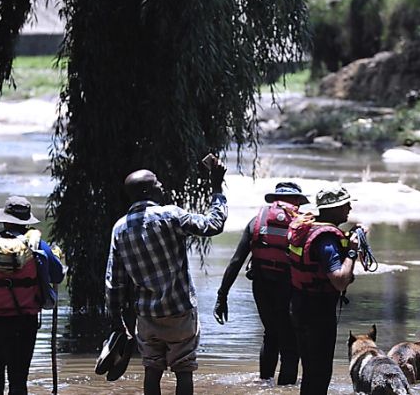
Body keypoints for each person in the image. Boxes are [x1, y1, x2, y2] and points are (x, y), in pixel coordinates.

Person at [106, 160, 227, 395]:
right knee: (183, 369)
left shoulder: (119, 228)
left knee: (152, 369)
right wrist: (217, 189)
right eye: (157, 184)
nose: (162, 187)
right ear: (147, 191)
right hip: (179, 311)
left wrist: (116, 319)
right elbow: (214, 224)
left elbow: (114, 281)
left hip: (147, 316)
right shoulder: (170, 215)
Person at [0, 196, 65, 395]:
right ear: (26, 221)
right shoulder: (38, 246)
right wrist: (54, 256)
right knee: (18, 375)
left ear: (5, 220)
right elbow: (58, 275)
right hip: (25, 320)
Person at [214, 182, 309, 385]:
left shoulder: (257, 221)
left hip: (262, 286)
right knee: (290, 343)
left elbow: (236, 262)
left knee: (271, 334)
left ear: (274, 200)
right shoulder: (302, 226)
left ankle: (265, 384)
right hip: (289, 289)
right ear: (297, 201)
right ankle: (285, 389)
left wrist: (222, 296)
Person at [286, 186, 361, 394]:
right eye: (346, 204)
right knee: (320, 373)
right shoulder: (327, 239)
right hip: (317, 312)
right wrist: (352, 252)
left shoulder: (309, 227)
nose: (350, 208)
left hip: (300, 305)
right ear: (335, 208)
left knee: (310, 371)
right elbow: (339, 281)